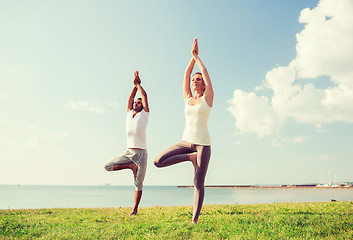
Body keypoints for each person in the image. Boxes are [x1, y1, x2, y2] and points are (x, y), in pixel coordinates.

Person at [153, 39, 214, 224]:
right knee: (158, 161)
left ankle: (194, 219)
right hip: (186, 142)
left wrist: (197, 57)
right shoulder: (187, 98)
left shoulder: (207, 99)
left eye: (198, 80)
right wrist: (191, 58)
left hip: (203, 143)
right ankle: (190, 157)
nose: (195, 81)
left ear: (203, 85)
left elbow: (205, 72)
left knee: (198, 183)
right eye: (194, 80)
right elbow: (186, 74)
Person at [104, 70, 149, 216]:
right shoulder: (129, 113)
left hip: (141, 153)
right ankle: (131, 166)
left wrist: (139, 85)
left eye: (139, 102)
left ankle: (134, 210)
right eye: (136, 102)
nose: (136, 103)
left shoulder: (145, 114)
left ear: (142, 106)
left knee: (138, 184)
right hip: (128, 152)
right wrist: (134, 86)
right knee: (108, 166)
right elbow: (130, 97)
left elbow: (145, 96)